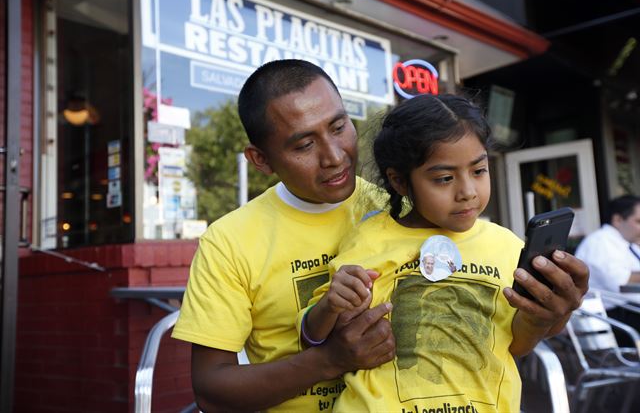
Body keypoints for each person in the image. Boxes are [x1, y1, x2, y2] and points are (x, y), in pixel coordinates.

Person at [300, 94, 589, 412]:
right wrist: (331, 304)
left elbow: (516, 343)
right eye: (445, 179)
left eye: (478, 170)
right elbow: (315, 336)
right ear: (400, 181)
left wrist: (542, 315)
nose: (467, 192)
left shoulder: (506, 246)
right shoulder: (370, 240)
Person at [171, 60, 395, 412]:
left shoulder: (394, 208)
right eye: (304, 145)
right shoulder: (229, 241)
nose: (335, 157)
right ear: (261, 160)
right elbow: (211, 390)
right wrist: (329, 360)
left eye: (339, 127)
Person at [575, 195, 640, 299]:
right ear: (617, 220)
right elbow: (620, 282)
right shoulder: (601, 241)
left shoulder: (625, 241)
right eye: (638, 221)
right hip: (615, 311)